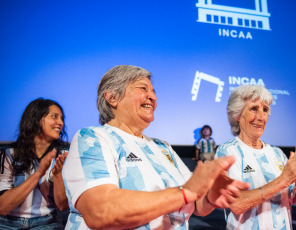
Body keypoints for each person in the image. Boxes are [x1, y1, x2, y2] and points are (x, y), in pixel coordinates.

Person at [62, 65, 250, 230]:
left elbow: (195, 202)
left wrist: (208, 197)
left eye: (153, 91)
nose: (152, 97)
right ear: (112, 97)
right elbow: (100, 211)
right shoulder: (92, 138)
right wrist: (186, 192)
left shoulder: (163, 148)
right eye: (143, 88)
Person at [214, 85, 296, 230]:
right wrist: (285, 179)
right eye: (253, 109)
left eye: (265, 110)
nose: (261, 117)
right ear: (237, 115)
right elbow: (237, 204)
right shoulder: (227, 152)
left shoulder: (277, 154)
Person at [0, 98, 69, 229]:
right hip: (7, 224)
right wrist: (38, 173)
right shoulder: (8, 154)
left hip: (46, 223)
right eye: (54, 116)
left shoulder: (63, 155)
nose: (60, 123)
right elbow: (2, 207)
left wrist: (58, 175)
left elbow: (62, 206)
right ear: (36, 119)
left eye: (61, 118)